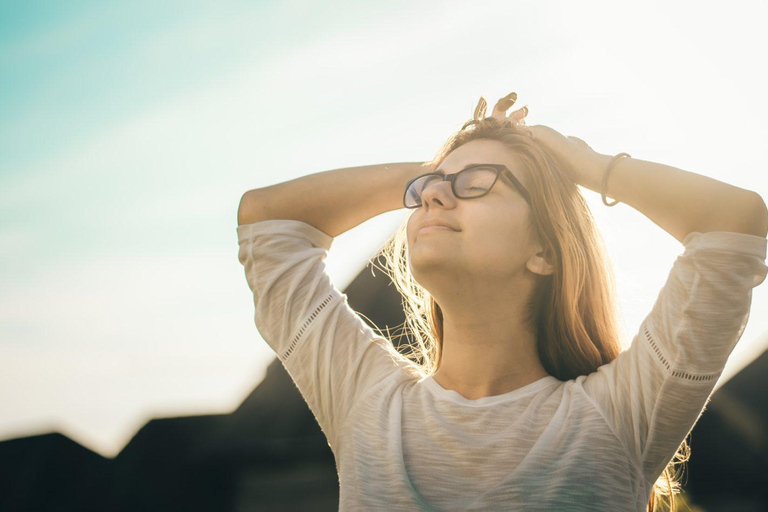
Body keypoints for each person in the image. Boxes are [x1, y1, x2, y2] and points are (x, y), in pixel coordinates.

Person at [236, 91, 768, 511]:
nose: (434, 196)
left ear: (544, 251)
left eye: (477, 184)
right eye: (428, 190)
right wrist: (434, 169)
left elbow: (734, 221)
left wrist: (585, 164)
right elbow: (267, 218)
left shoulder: (619, 414)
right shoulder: (366, 402)